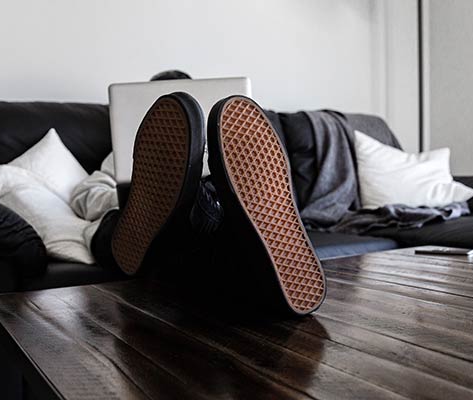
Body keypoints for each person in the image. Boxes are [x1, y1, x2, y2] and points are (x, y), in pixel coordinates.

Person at [71, 73, 326, 316]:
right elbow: (87, 194)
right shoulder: (124, 153)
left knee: (218, 218)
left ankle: (203, 204)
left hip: (203, 216)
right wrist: (140, 195)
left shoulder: (227, 145)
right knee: (123, 227)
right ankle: (181, 205)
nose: (172, 128)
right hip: (142, 221)